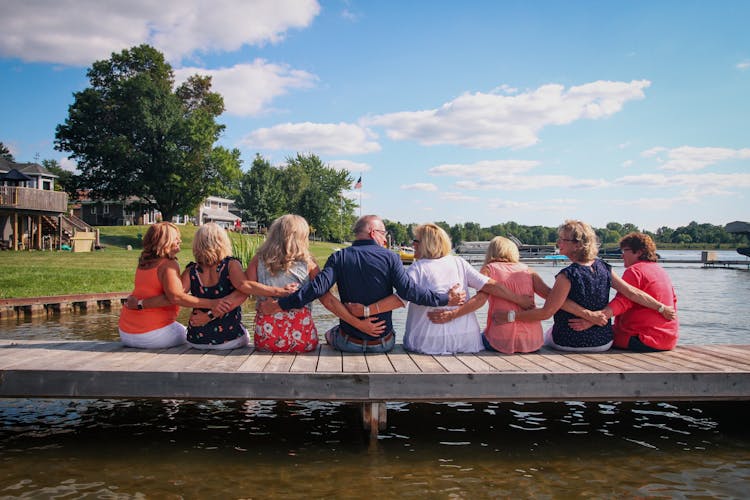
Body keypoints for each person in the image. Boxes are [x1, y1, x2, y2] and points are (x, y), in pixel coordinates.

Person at [258, 215, 465, 353]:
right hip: (383, 343)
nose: (385, 239)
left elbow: (316, 289)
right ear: (374, 233)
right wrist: (446, 298)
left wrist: (279, 305)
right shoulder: (390, 258)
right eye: (384, 234)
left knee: (330, 333)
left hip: (348, 343)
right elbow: (410, 292)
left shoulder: (339, 257)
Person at [347, 225, 535, 355]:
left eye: (416, 241)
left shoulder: (418, 268)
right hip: (466, 341)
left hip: (426, 341)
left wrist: (366, 311)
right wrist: (519, 300)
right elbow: (489, 286)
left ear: (427, 243)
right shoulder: (459, 262)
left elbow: (400, 299)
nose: (413, 245)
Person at [493, 220, 676, 352]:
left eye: (563, 240)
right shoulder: (604, 266)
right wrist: (661, 307)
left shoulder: (567, 275)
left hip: (571, 342)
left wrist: (510, 316)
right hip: (604, 342)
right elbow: (632, 293)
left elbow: (546, 313)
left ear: (577, 245)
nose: (558, 243)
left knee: (543, 337)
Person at [180, 223, 296, 350]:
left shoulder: (190, 271)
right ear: (222, 242)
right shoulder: (230, 265)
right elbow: (245, 287)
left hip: (196, 340)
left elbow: (177, 296)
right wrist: (279, 291)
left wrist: (205, 311)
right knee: (245, 334)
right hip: (228, 340)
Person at [428, 235, 551, 354]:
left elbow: (480, 300)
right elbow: (552, 296)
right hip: (533, 342)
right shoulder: (528, 270)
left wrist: (452, 314)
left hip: (500, 341)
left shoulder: (489, 269)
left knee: (476, 338)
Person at [118, 222, 223, 348]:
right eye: (176, 237)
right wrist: (213, 304)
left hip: (125, 332)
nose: (180, 240)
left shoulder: (144, 263)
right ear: (164, 241)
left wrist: (139, 304)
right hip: (152, 335)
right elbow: (176, 297)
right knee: (196, 336)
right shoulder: (168, 265)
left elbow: (169, 296)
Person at [570, 232, 679, 351]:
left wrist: (593, 320)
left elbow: (622, 303)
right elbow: (673, 300)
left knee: (589, 335)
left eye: (625, 251)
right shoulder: (660, 270)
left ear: (639, 252)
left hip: (644, 338)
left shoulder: (635, 271)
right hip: (669, 339)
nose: (622, 256)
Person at [245, 214, 320, 352]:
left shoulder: (259, 260)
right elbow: (321, 292)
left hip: (266, 339)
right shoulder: (309, 263)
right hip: (303, 339)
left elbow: (247, 287)